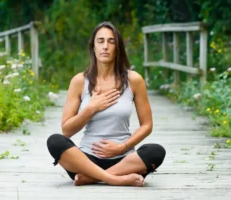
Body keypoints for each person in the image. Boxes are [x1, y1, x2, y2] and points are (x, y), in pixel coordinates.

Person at [47, 22, 166, 187]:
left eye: (111, 41)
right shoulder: (79, 81)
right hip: (86, 160)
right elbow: (66, 131)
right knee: (55, 141)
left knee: (156, 151)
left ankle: (93, 178)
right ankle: (115, 179)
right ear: (93, 47)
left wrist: (122, 147)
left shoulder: (134, 80)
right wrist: (91, 108)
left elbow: (147, 125)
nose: (105, 46)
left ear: (118, 48)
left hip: (124, 159)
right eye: (100, 41)